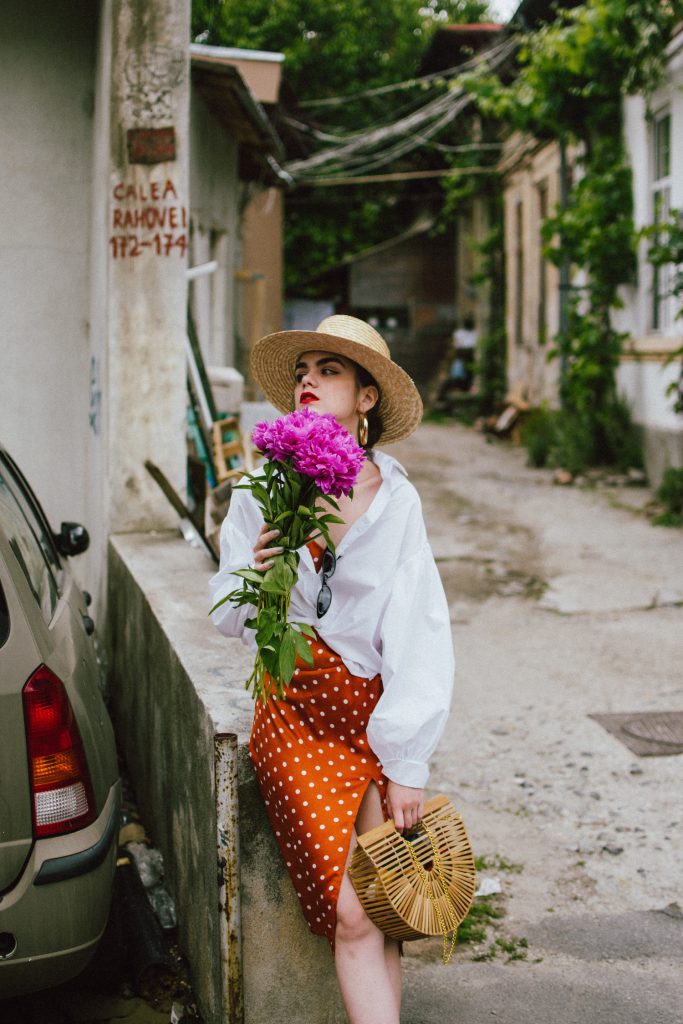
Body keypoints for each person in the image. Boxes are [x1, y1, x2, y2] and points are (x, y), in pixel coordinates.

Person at [209, 315, 454, 1024]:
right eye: (302, 370)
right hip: (295, 713)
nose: (307, 380)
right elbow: (224, 614)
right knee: (353, 915)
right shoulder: (263, 485)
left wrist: (407, 757)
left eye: (329, 369)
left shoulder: (397, 500)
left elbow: (419, 627)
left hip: (371, 715)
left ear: (367, 398)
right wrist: (256, 578)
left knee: (383, 902)